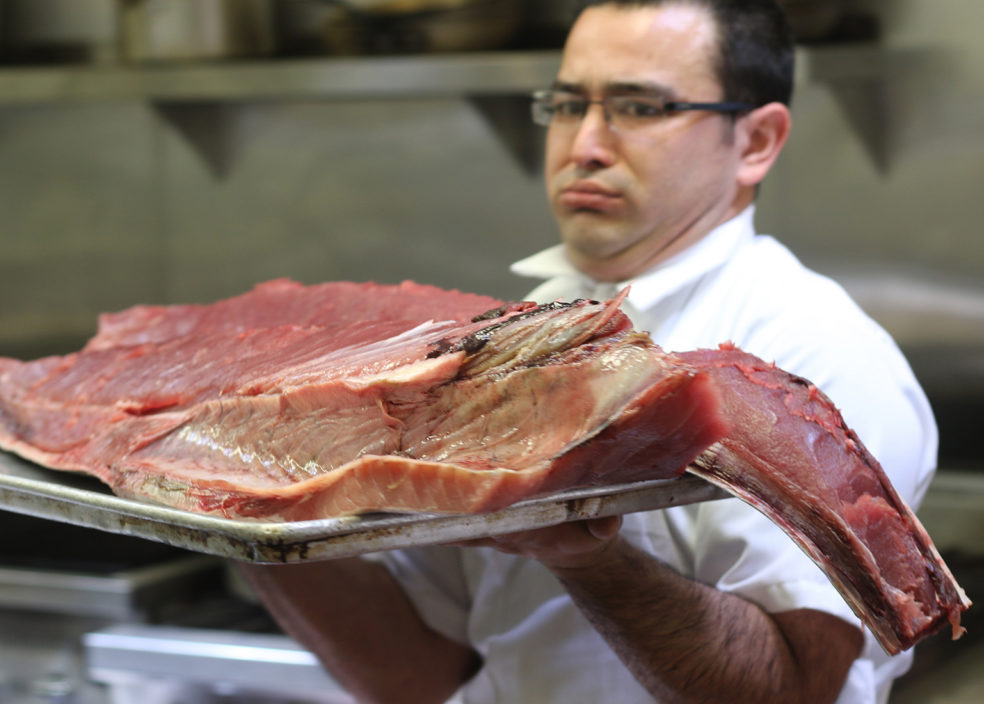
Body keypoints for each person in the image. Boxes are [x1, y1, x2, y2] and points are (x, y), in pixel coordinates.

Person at [241, 1, 938, 702]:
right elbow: (421, 673)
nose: (586, 145)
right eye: (570, 104)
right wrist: (233, 508)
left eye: (639, 107)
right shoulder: (516, 342)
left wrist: (588, 558)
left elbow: (794, 688)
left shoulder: (813, 351)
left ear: (756, 141)